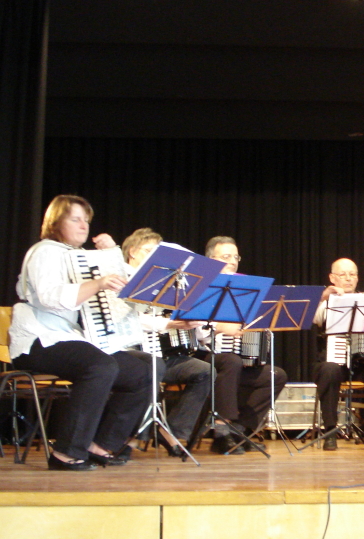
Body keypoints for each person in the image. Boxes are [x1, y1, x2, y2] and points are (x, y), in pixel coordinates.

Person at [8, 195, 154, 470]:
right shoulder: (45, 251)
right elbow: (49, 297)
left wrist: (113, 255)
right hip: (38, 339)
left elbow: (130, 289)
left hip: (70, 337)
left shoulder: (80, 257)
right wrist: (97, 284)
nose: (83, 225)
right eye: (75, 219)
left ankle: (101, 445)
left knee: (144, 372)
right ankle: (66, 453)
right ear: (55, 222)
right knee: (99, 366)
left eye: (86, 220)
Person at [193, 236, 288, 454]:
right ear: (210, 259)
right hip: (206, 354)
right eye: (226, 256)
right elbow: (193, 328)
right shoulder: (200, 284)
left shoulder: (247, 287)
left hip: (236, 358)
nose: (232, 261)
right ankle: (221, 432)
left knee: (275, 375)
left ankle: (239, 430)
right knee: (231, 361)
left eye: (236, 257)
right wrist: (220, 327)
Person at [120, 228, 211, 452]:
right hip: (129, 352)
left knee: (205, 371)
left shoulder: (164, 284)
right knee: (151, 367)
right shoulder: (121, 278)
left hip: (163, 354)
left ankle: (173, 431)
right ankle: (132, 437)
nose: (155, 259)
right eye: (149, 252)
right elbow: (130, 320)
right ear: (132, 252)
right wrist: (170, 324)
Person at [312, 258, 364, 451]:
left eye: (352, 274)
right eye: (343, 275)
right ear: (332, 278)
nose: (348, 278)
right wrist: (323, 297)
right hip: (334, 364)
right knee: (328, 370)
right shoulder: (326, 302)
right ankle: (330, 432)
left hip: (362, 365)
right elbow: (313, 317)